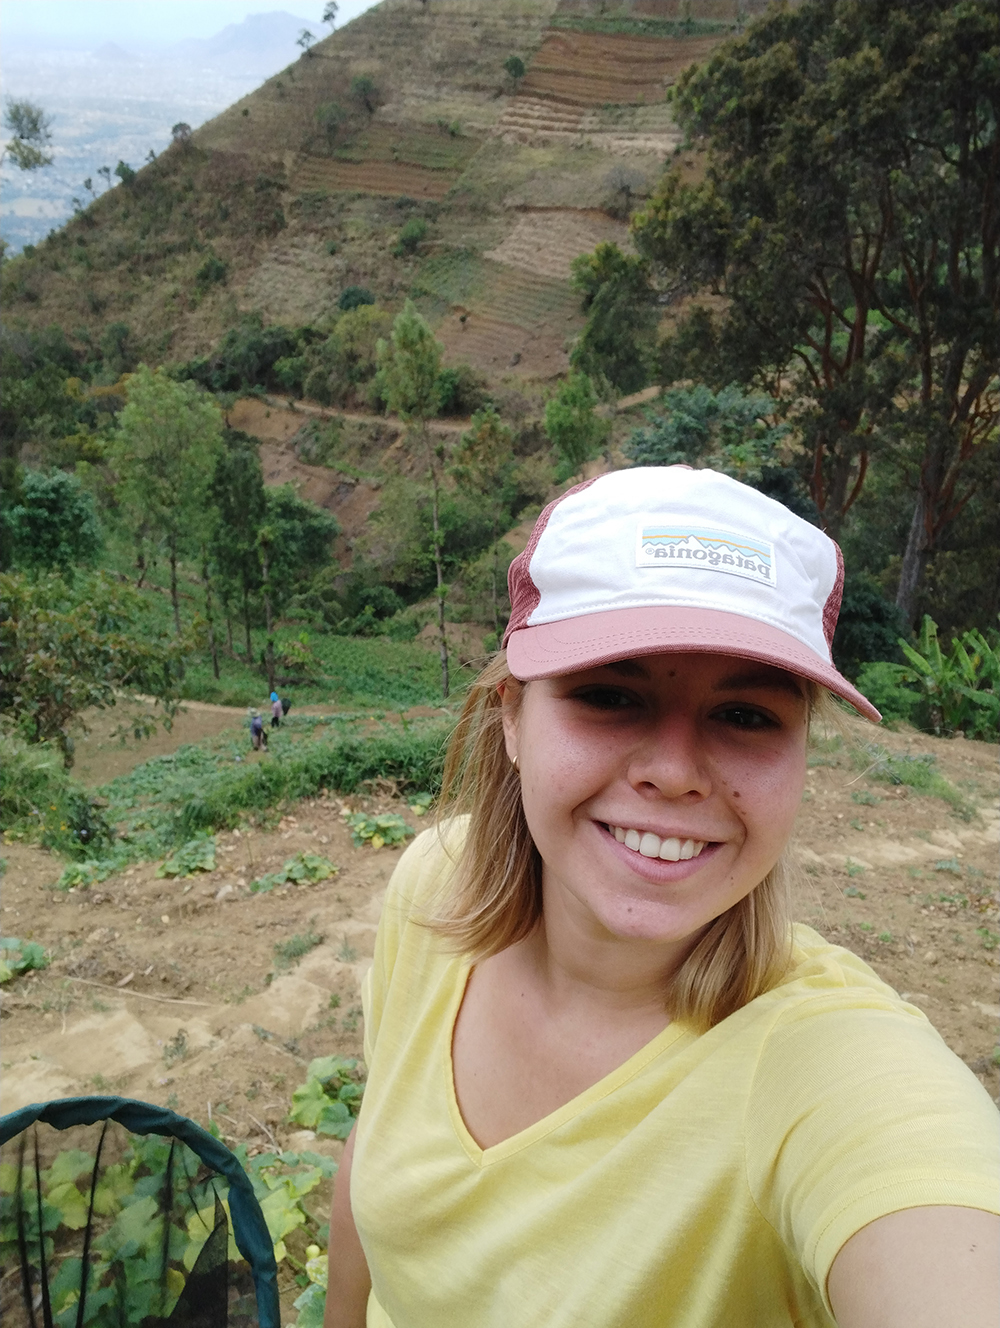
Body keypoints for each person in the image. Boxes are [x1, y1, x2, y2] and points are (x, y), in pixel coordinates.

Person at [325, 467, 999, 1328]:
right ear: (511, 719)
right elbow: (370, 1164)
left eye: (747, 716)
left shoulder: (826, 1066)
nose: (674, 772)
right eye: (610, 696)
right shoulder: (434, 887)